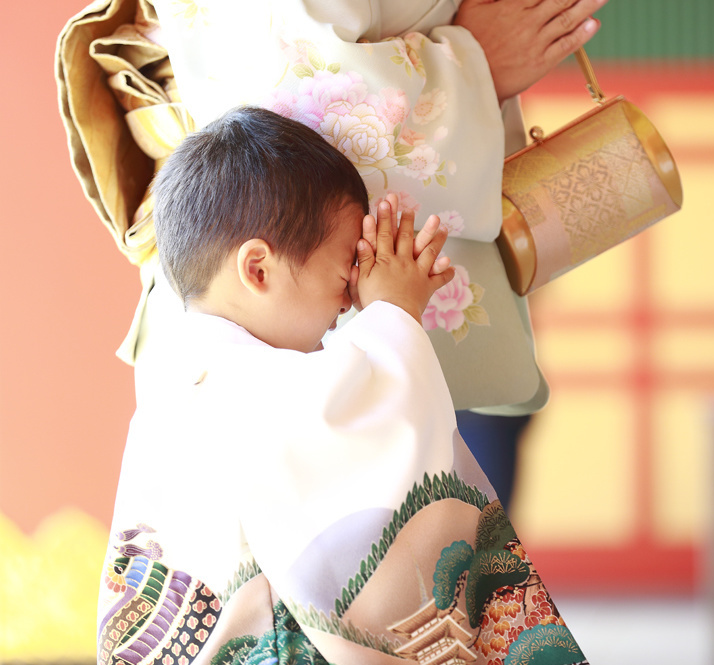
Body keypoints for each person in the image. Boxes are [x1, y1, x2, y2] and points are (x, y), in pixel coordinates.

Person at [98, 106, 590, 665]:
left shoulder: (178, 375)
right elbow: (344, 425)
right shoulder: (251, 388)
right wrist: (394, 314)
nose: (350, 301)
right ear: (258, 270)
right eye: (342, 275)